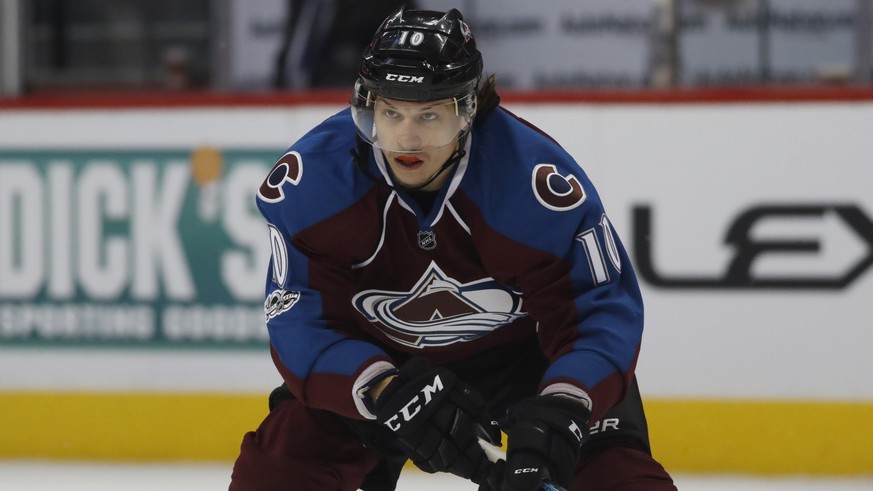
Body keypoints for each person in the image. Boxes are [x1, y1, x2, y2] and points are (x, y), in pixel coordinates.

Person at [230, 7, 677, 491]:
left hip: (525, 360)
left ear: (468, 111)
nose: (407, 136)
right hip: (384, 365)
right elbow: (302, 321)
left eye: (430, 114)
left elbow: (598, 309)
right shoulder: (315, 184)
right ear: (367, 107)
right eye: (391, 111)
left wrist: (566, 402)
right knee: (275, 474)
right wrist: (382, 390)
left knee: (621, 481)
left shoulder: (531, 184)